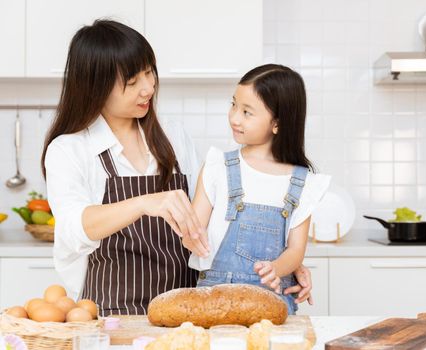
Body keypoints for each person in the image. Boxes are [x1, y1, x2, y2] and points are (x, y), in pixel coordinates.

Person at [41, 20, 313, 316]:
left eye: (149, 72)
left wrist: (285, 261)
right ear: (95, 86)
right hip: (112, 315)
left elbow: (215, 218)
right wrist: (145, 203)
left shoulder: (173, 136)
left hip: (185, 311)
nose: (148, 88)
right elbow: (74, 227)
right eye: (132, 82)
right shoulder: (69, 150)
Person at [182, 64, 330, 314]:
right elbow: (193, 229)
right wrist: (191, 238)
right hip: (214, 296)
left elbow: (295, 250)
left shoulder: (303, 183)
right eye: (233, 105)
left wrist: (277, 269)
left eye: (247, 112)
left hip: (273, 297)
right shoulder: (218, 166)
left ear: (278, 123)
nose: (234, 117)